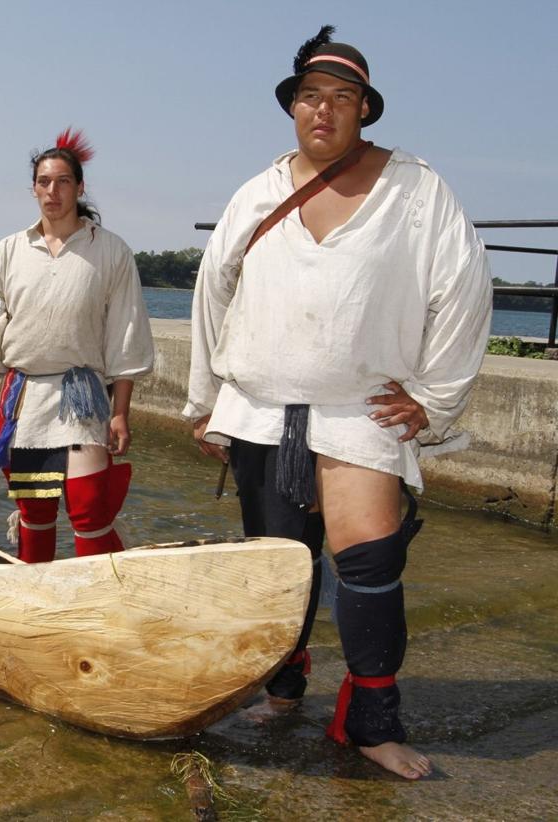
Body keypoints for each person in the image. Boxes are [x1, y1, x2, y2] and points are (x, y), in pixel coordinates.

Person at [184, 26, 492, 780]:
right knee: (283, 565)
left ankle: (369, 723)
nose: (324, 111)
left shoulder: (416, 189)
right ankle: (284, 688)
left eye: (342, 99)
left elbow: (466, 288)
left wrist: (433, 397)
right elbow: (211, 290)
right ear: (293, 108)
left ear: (364, 110)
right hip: (261, 408)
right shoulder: (257, 191)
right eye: (310, 98)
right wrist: (207, 399)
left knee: (370, 564)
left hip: (361, 412)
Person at [0, 129, 155, 562]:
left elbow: (126, 334)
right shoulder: (9, 251)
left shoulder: (111, 251)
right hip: (24, 399)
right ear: (33, 189)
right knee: (36, 511)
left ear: (80, 187)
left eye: (63, 181)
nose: (53, 191)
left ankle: (101, 604)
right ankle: (35, 603)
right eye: (44, 182)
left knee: (88, 510)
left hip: (82, 395)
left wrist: (121, 413)